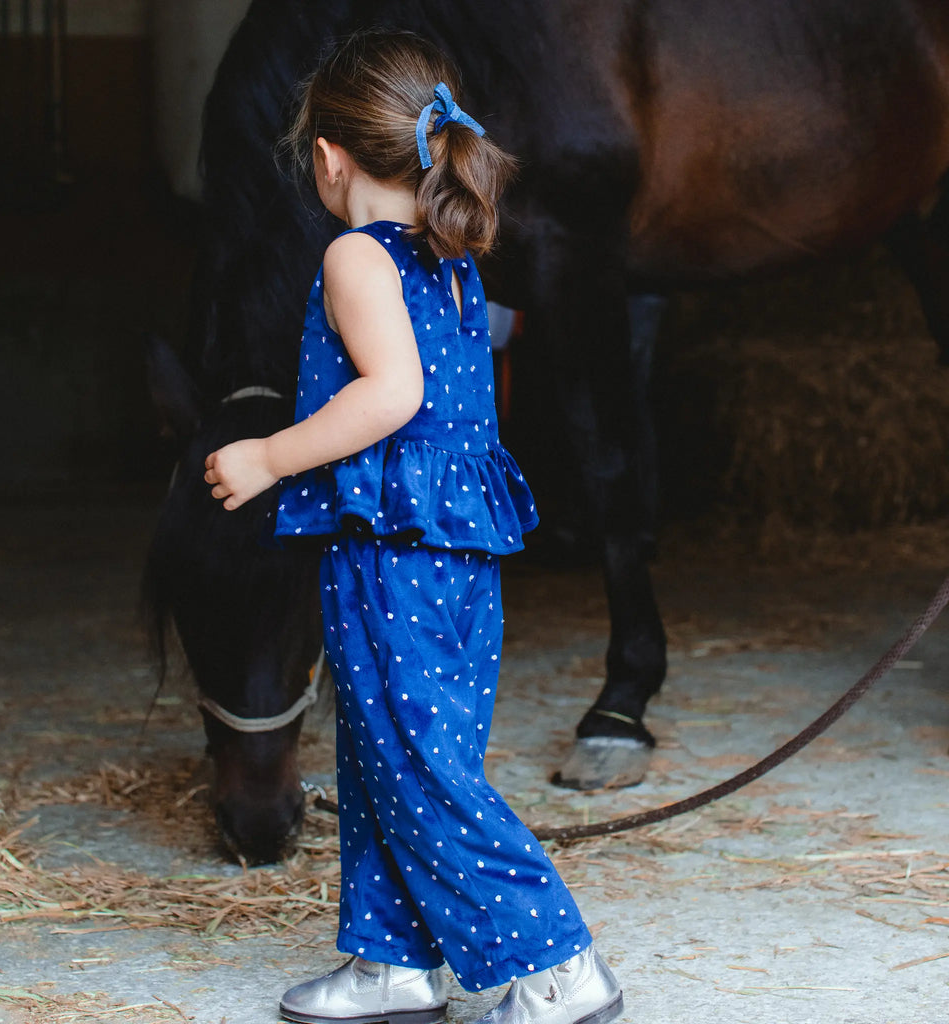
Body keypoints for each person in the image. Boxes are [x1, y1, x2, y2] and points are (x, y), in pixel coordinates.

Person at [204, 28, 625, 1024]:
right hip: (450, 557)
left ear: (326, 159)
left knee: (423, 774)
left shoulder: (356, 255)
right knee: (387, 758)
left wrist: (270, 455)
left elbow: (391, 396)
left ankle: (559, 964)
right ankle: (391, 959)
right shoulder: (445, 253)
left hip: (396, 556)